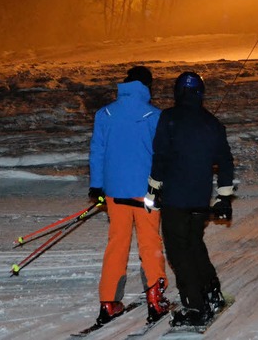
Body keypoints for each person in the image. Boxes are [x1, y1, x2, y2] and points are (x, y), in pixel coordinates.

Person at [145, 72, 235, 328]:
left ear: (178, 92)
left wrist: (153, 188)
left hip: (176, 198)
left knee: (178, 251)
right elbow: (226, 161)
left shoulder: (169, 118)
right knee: (194, 244)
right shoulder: (212, 123)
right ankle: (211, 291)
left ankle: (195, 306)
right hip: (199, 197)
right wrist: (224, 197)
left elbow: (160, 156)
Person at [88, 66, 169, 326]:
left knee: (117, 243)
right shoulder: (154, 116)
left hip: (114, 192)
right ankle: (155, 299)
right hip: (146, 192)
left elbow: (97, 151)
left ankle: (109, 301)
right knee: (150, 244)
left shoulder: (105, 114)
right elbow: (161, 156)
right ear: (147, 86)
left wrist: (96, 186)